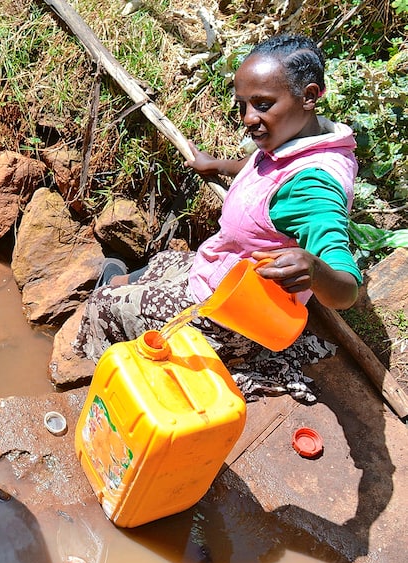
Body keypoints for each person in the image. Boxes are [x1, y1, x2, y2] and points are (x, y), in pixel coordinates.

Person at [74, 34, 360, 402]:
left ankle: (113, 386)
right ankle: (127, 288)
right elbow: (263, 169)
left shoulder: (314, 188)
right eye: (242, 105)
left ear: (309, 95)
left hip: (233, 313)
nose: (248, 119)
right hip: (223, 269)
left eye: (262, 105)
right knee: (165, 260)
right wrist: (220, 166)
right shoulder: (304, 139)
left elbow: (346, 289)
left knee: (101, 308)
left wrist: (316, 270)